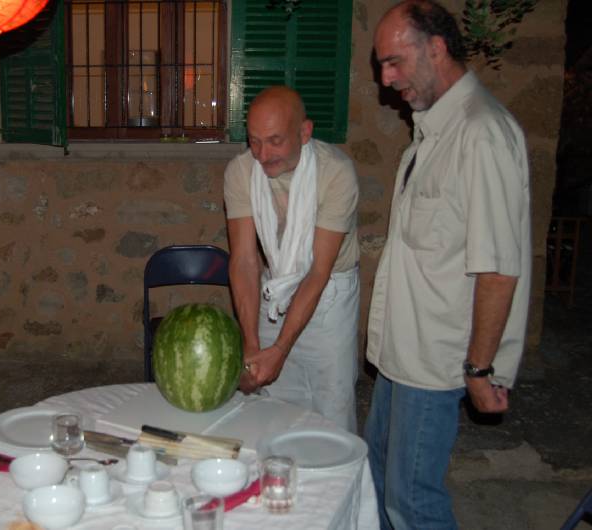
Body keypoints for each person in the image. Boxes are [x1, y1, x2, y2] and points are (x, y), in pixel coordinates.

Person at [365, 1, 532, 528]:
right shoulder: (433, 130)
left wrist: (479, 369)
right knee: (378, 477)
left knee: (412, 500)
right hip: (401, 353)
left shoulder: (480, 133)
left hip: (435, 362)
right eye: (381, 66)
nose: (386, 80)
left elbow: (499, 269)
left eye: (394, 62)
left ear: (436, 48)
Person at [224, 85, 360, 432]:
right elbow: (244, 261)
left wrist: (281, 349)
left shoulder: (336, 173)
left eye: (275, 141)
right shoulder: (240, 171)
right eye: (254, 141)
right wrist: (252, 344)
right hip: (275, 288)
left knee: (330, 410)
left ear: (304, 132)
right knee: (273, 413)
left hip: (329, 293)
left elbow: (318, 271)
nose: (262, 154)